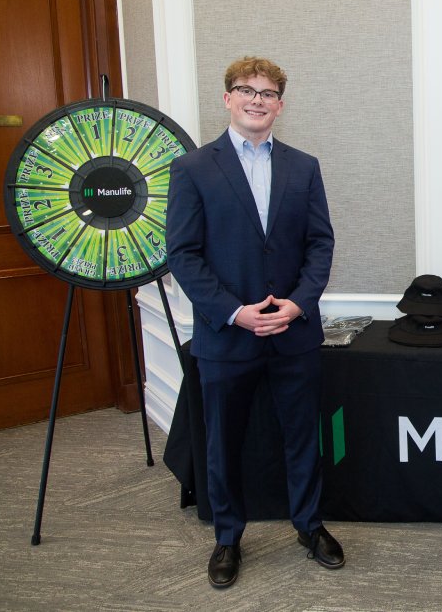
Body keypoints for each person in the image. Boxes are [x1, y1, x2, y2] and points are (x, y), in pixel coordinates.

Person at [167, 56, 342, 588]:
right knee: (223, 442)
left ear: (280, 106)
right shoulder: (193, 169)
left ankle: (309, 526)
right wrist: (234, 312)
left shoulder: (303, 167)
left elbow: (320, 244)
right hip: (226, 336)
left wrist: (299, 303)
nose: (257, 100)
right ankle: (227, 537)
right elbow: (183, 254)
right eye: (246, 90)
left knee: (303, 438)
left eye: (267, 93)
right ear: (228, 99)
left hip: (294, 333)